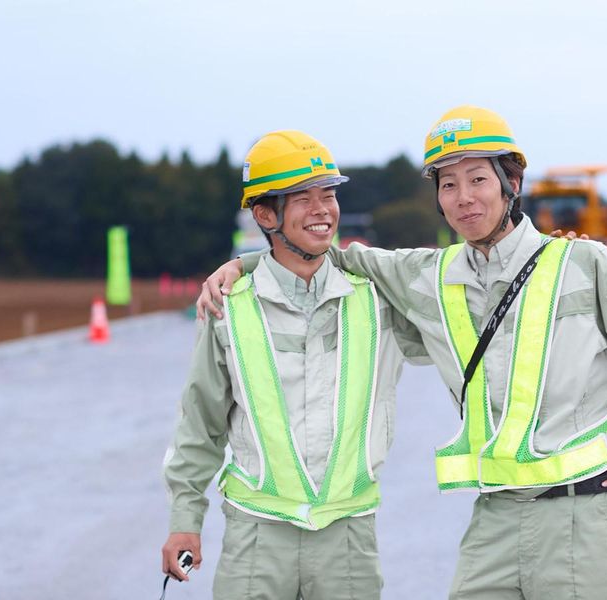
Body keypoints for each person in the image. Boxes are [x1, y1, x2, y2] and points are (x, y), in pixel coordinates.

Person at [198, 106, 607, 599]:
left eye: (478, 179)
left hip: (584, 512)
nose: (464, 197)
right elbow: (323, 249)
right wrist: (244, 266)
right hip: (495, 517)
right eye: (448, 184)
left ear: (512, 183)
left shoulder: (584, 262)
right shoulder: (429, 277)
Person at [161, 130, 429, 599]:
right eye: (302, 199)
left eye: (328, 195)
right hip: (257, 538)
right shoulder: (229, 307)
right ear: (265, 214)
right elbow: (200, 423)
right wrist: (185, 520)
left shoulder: (375, 297)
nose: (322, 209)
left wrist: (556, 256)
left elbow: (467, 304)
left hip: (348, 536)